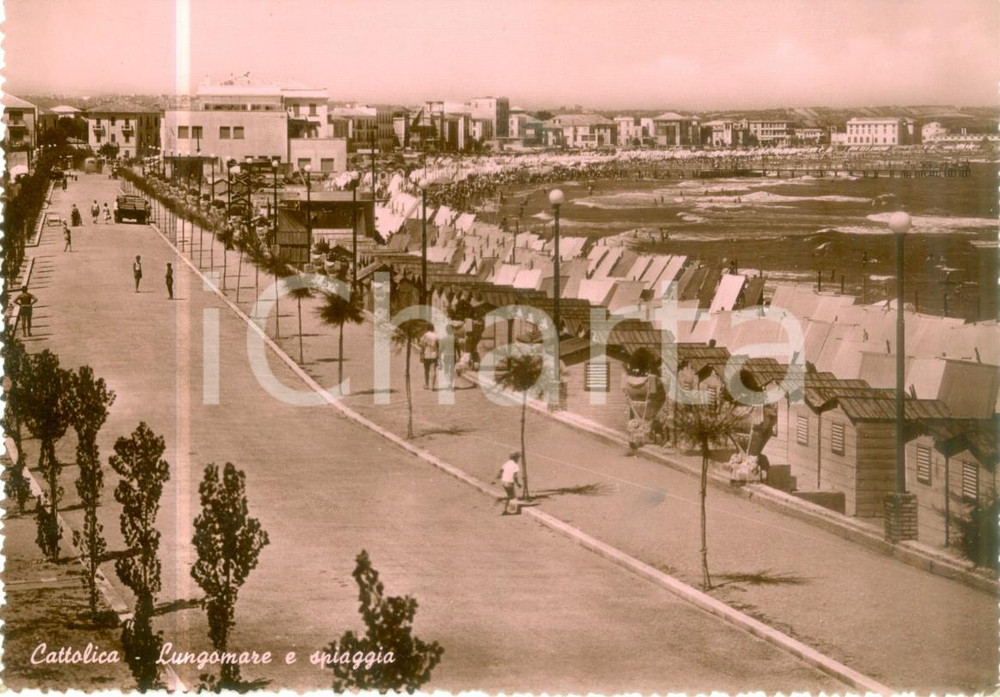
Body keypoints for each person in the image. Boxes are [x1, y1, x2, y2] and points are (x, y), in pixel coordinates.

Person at [418, 325, 439, 390]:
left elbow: (422, 346)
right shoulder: (436, 336)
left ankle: (427, 385)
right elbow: (439, 346)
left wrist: (421, 356)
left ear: (427, 328)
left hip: (426, 355)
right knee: (434, 370)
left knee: (426, 370)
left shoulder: (425, 336)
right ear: (433, 328)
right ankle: (433, 386)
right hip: (434, 355)